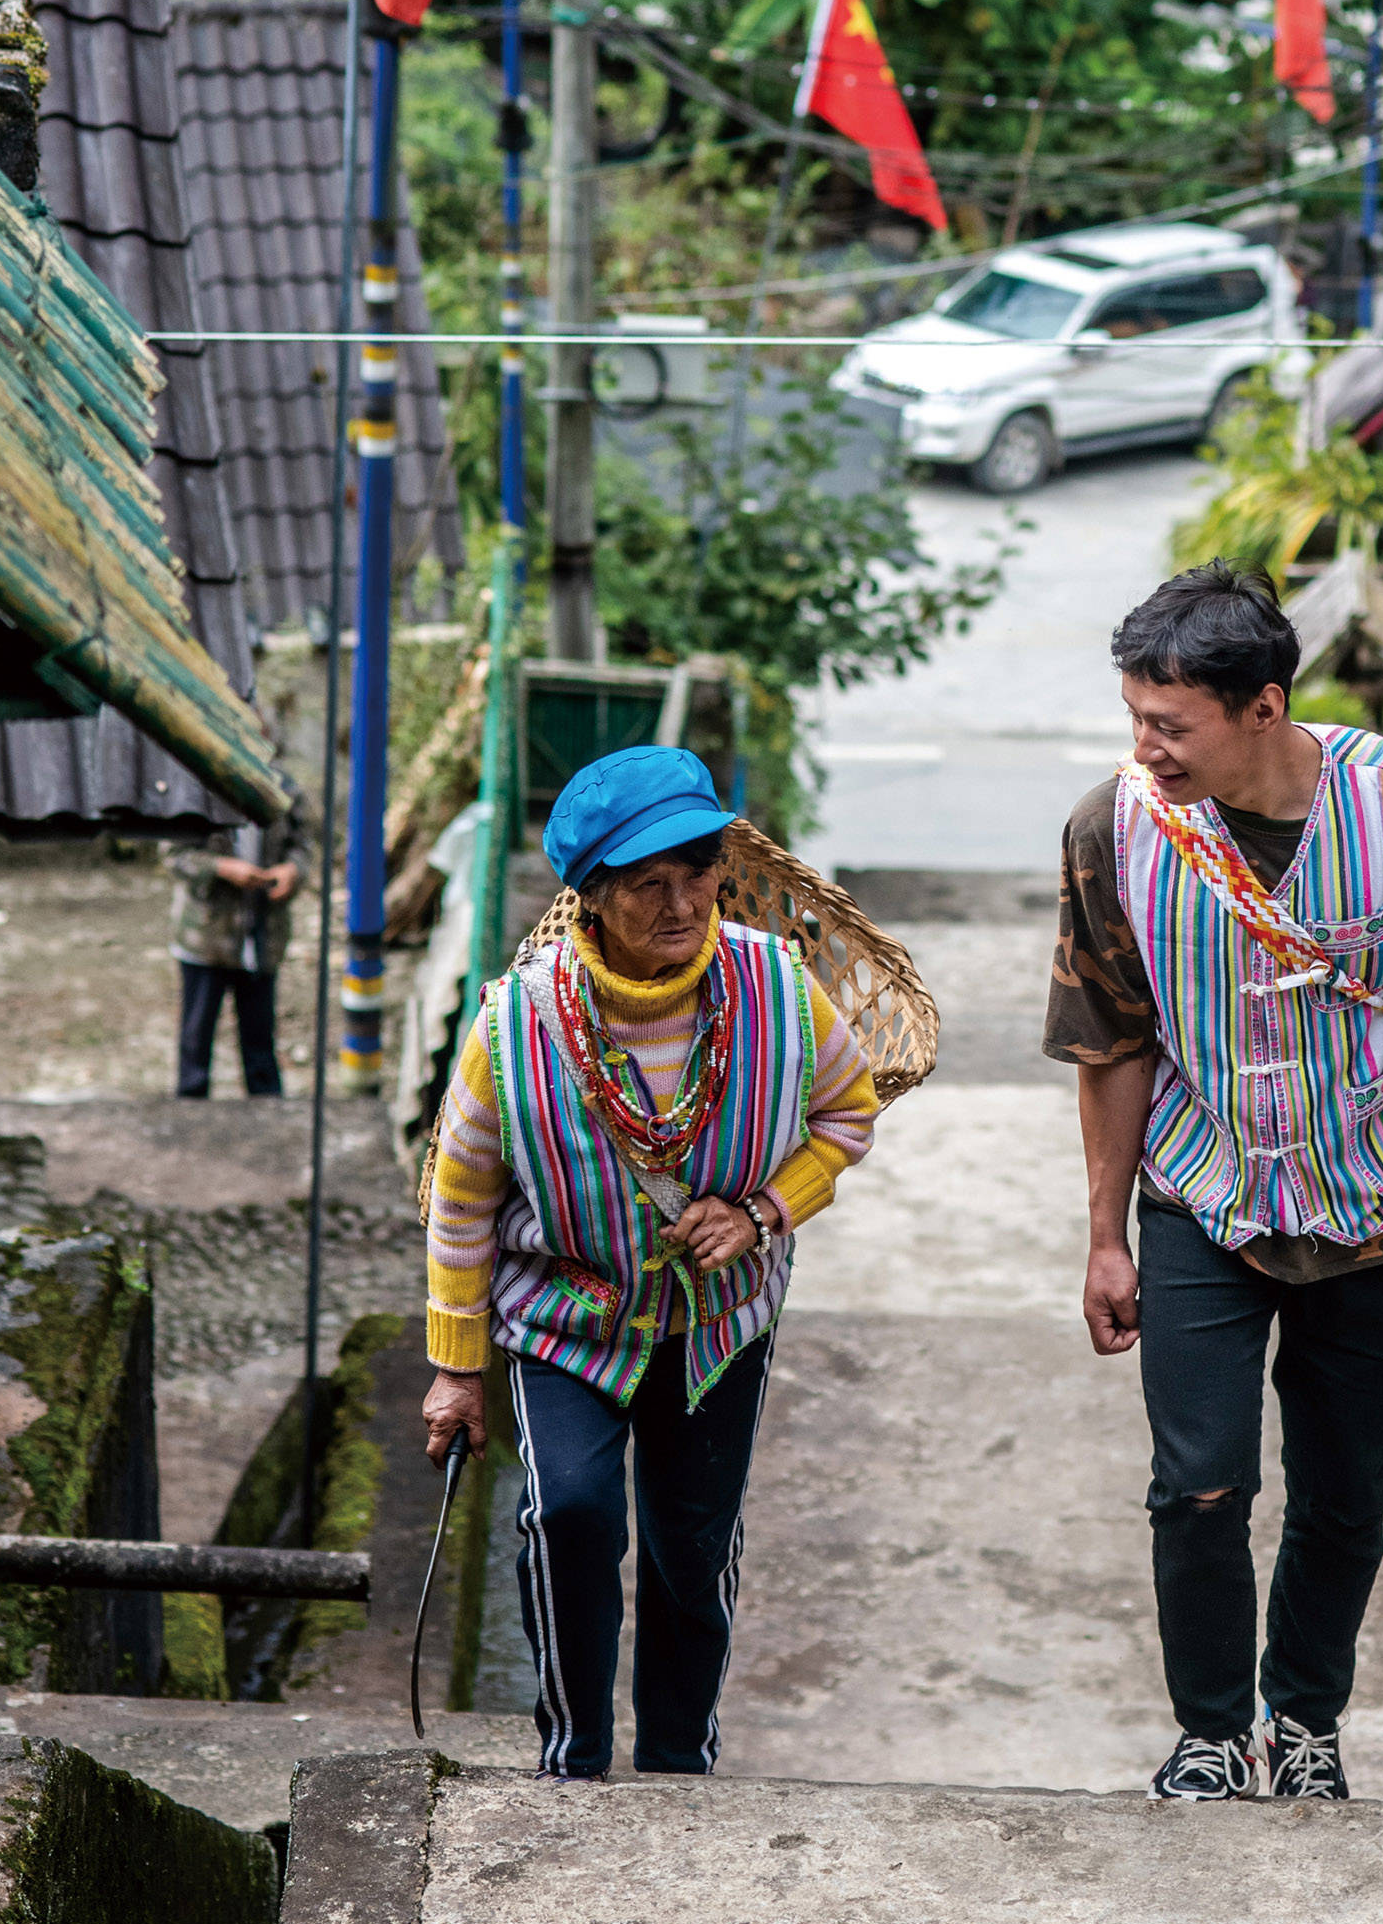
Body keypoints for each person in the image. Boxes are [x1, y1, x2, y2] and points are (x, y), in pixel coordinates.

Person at [1052, 564, 1383, 1805]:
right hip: (1200, 1196)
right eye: (1135, 718)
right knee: (1199, 1482)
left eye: (1171, 723)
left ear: (1263, 705)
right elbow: (1109, 1041)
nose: (1144, 747)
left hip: (1373, 1204)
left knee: (1346, 1490)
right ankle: (1212, 1730)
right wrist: (1106, 1236)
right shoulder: (1112, 830)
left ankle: (1306, 1716)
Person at [416, 745, 881, 1779]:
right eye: (646, 883)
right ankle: (574, 1750)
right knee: (567, 1512)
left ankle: (678, 1760)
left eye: (699, 870)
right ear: (589, 897)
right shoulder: (514, 1023)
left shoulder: (777, 987)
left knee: (692, 1547)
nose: (681, 903)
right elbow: (463, 1194)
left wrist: (764, 1210)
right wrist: (455, 1365)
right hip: (563, 1319)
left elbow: (850, 1114)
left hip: (718, 1321)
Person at [167, 832, 301, 1097]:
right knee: (196, 1039)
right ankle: (190, 1113)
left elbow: (301, 845)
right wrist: (222, 868)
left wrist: (292, 870)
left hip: (263, 934)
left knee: (260, 1038)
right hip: (205, 937)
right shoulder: (198, 790)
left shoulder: (286, 790)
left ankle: (267, 1112)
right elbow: (174, 855)